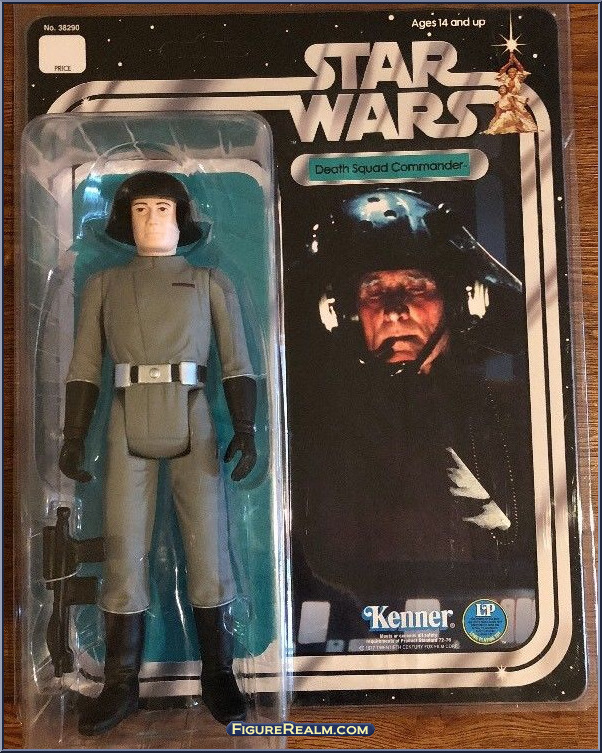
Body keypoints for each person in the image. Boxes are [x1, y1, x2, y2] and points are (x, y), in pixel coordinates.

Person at [292, 189, 537, 647]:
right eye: (373, 290)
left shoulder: (518, 421)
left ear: (461, 303)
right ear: (340, 314)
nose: (394, 309)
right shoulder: (309, 434)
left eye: (417, 286)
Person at [59, 171, 257, 734]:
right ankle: (120, 681)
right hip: (126, 418)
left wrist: (245, 427)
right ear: (126, 220)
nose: (151, 219)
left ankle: (218, 672)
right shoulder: (105, 284)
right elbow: (83, 366)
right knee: (124, 548)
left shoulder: (209, 281)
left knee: (209, 546)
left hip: (193, 414)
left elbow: (237, 361)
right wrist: (73, 436)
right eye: (140, 209)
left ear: (181, 217)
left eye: (162, 208)